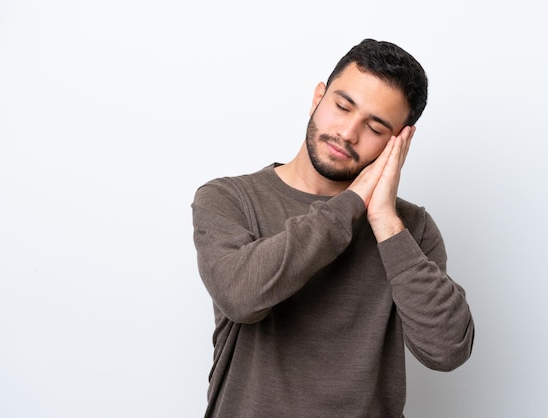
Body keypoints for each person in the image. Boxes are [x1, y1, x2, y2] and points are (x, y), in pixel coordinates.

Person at [191, 38, 474, 418]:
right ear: (318, 97)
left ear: (398, 143)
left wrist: (384, 220)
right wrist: (353, 203)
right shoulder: (229, 198)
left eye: (374, 127)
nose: (347, 133)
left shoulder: (411, 229)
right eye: (342, 107)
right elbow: (241, 297)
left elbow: (447, 349)